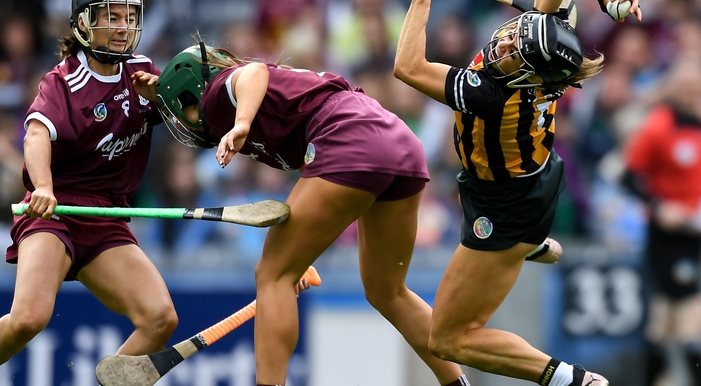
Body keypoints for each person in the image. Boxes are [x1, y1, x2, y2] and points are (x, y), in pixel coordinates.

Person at [133, 43, 472, 386]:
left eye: (180, 109)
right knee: (388, 291)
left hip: (349, 139)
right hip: (398, 144)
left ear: (191, 93)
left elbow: (253, 72)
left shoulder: (217, 94)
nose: (181, 121)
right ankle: (457, 383)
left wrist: (242, 123)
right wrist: (298, 256)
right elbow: (326, 184)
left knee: (271, 274)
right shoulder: (271, 103)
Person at [392, 0, 642, 386]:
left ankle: (572, 379)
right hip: (535, 173)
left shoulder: (491, 94)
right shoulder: (547, 35)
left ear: (529, 77)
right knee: (466, 174)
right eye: (513, 35)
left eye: (512, 54)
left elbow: (407, 68)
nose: (502, 46)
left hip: (506, 203)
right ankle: (529, 243)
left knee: (448, 339)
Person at [0, 0, 179, 386]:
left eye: (129, 17)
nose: (123, 26)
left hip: (105, 217)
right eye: (112, 17)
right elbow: (36, 135)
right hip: (54, 210)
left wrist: (165, 96)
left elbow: (191, 118)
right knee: (29, 318)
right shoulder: (64, 81)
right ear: (84, 24)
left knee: (160, 318)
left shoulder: (144, 73)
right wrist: (43, 187)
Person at [621, 56, 701, 386]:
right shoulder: (659, 125)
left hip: (699, 232)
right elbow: (629, 177)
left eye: (699, 88)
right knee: (690, 308)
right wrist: (660, 206)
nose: (694, 94)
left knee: (663, 317)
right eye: (687, 88)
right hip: (667, 235)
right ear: (675, 90)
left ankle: (658, 375)